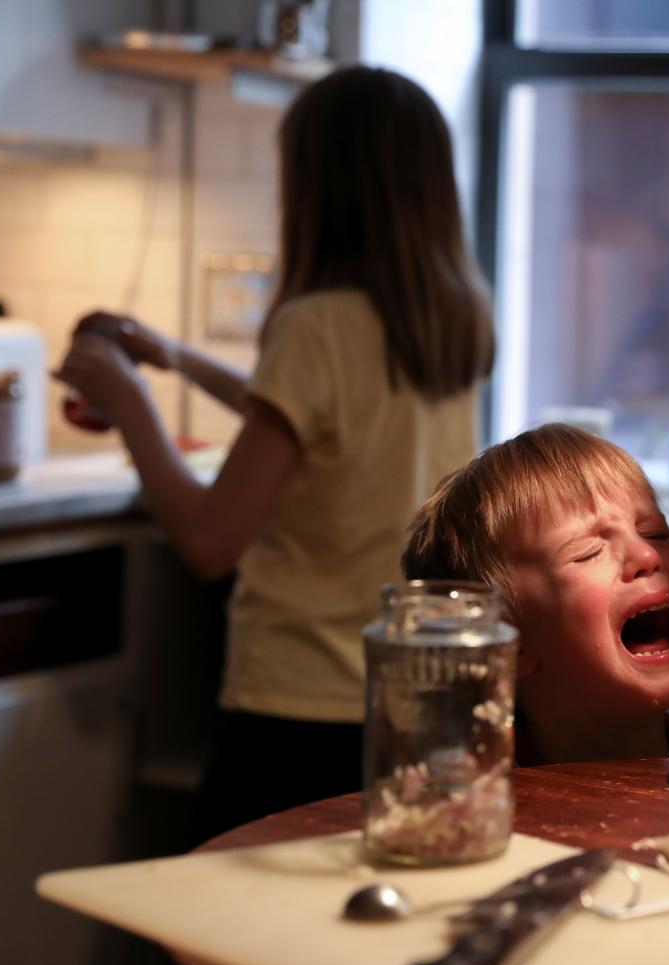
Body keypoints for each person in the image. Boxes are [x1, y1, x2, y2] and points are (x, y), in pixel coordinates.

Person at [53, 67, 493, 836]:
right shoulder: (453, 318)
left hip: (296, 706)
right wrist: (176, 356)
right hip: (412, 696)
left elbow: (209, 541)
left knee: (231, 934)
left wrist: (130, 404)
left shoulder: (315, 325)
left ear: (318, 188)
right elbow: (314, 416)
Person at [401, 423, 669, 765]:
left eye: (656, 533)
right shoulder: (471, 801)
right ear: (507, 645)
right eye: (587, 552)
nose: (648, 556)